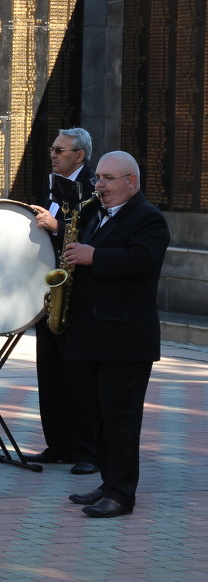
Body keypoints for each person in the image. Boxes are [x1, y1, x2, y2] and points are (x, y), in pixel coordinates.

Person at [62, 151, 169, 518]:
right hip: (93, 333)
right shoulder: (96, 214)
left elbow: (142, 263)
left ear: (131, 182)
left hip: (125, 339)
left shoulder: (149, 219)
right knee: (100, 416)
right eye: (99, 178)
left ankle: (121, 494)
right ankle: (109, 482)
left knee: (121, 420)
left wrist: (95, 257)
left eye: (108, 179)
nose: (100, 185)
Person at [23, 127, 98, 474]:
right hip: (49, 292)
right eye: (52, 149)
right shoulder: (54, 184)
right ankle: (57, 445)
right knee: (49, 374)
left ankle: (86, 451)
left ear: (79, 155)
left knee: (76, 377)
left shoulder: (94, 191)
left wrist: (57, 225)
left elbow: (92, 231)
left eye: (61, 150)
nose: (53, 154)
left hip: (78, 297)